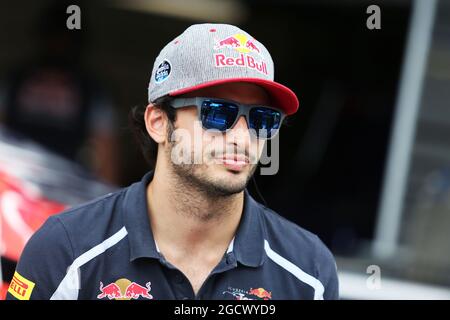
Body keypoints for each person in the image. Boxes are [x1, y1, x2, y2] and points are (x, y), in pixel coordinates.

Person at [6, 23, 338, 300]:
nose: (242, 137)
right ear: (159, 123)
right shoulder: (65, 247)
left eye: (262, 119)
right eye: (218, 113)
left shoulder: (308, 269)